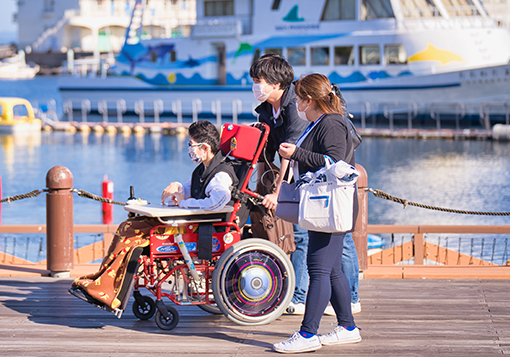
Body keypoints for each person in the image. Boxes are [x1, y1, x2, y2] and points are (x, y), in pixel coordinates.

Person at [69, 120, 237, 312]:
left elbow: (219, 199)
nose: (189, 149)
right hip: (191, 222)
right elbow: (189, 188)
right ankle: (102, 284)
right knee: (127, 226)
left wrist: (184, 202)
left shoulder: (221, 174)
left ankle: (109, 293)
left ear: (205, 147)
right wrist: (178, 187)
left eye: (191, 145)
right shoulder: (203, 169)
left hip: (201, 227)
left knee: (133, 238)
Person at [250, 54, 361, 316]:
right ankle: (330, 309)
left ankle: (334, 301)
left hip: (327, 187)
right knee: (319, 253)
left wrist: (278, 193)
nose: (256, 86)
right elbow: (274, 151)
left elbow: (298, 152)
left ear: (277, 83)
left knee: (334, 244)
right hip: (310, 183)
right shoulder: (267, 109)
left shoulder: (315, 117)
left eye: (260, 80)